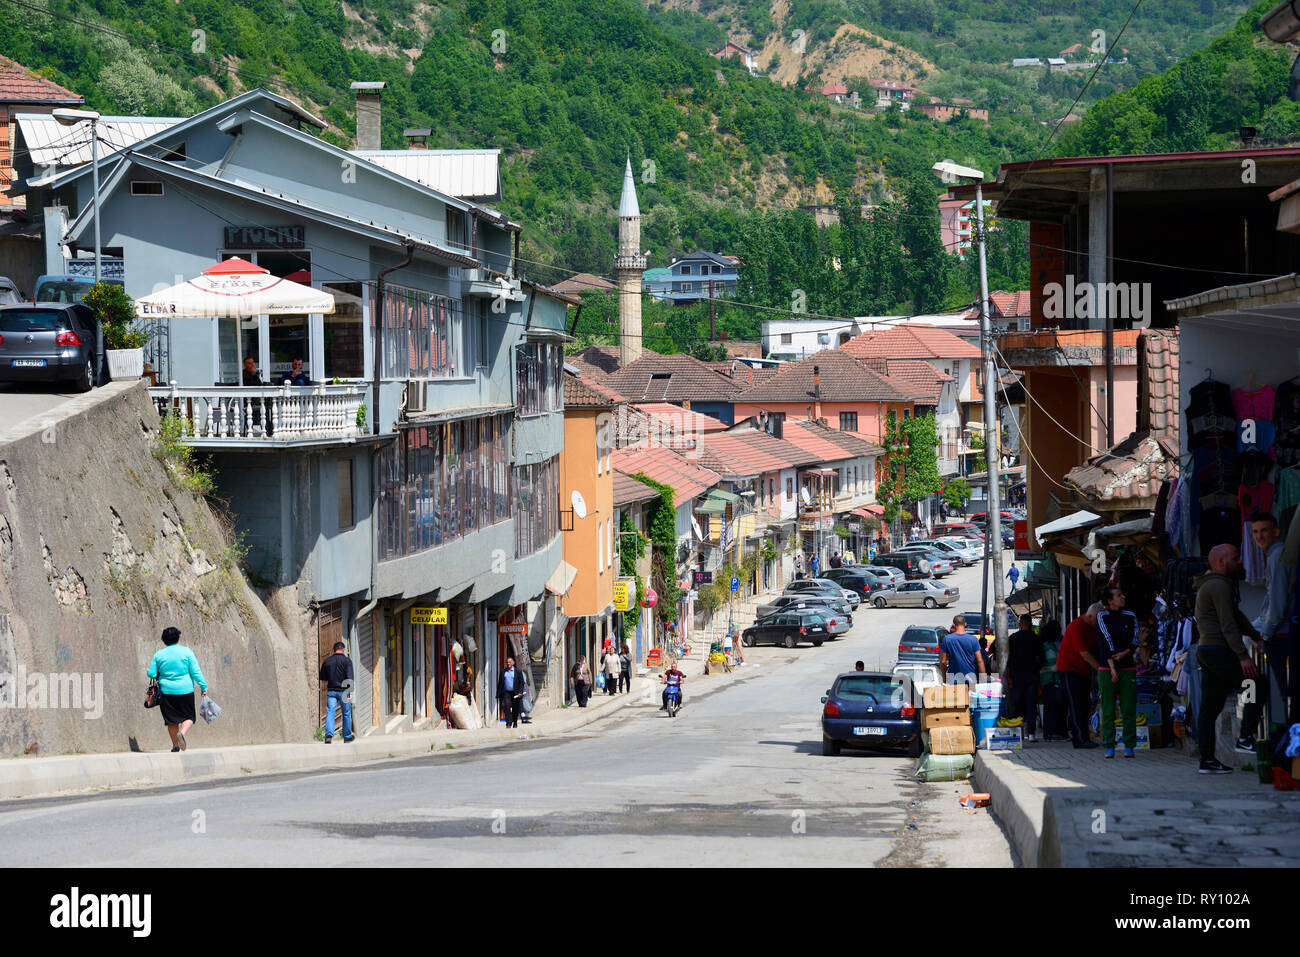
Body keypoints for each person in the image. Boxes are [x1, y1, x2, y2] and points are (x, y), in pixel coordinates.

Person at [1194, 544, 1261, 774]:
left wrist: (1256, 636)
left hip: (1207, 651)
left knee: (1209, 708)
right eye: (1235, 557)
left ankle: (1207, 761)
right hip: (1218, 651)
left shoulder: (1214, 584)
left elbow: (1237, 616)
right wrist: (1243, 656)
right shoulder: (1218, 585)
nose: (1240, 561)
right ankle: (1245, 737)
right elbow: (1228, 624)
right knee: (1254, 684)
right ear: (1221, 561)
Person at [1246, 512, 1295, 744]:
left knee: (1283, 690)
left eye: (1264, 531)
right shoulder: (1274, 555)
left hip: (1281, 634)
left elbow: (1277, 603)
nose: (1259, 536)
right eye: (1255, 532)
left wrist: (1266, 633)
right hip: (1278, 630)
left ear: (1276, 531)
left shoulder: (1278, 556)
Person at [146, 626, 208, 752]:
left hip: (166, 692)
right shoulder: (187, 652)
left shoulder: (159, 655)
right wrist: (203, 686)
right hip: (185, 690)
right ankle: (182, 734)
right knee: (189, 717)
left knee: (171, 720)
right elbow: (195, 672)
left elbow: (151, 673)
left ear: (163, 640)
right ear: (178, 638)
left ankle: (175, 746)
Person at [1096, 585, 1140, 758]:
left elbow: (1135, 638)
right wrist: (1113, 666)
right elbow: (1104, 640)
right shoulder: (1102, 616)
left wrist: (1125, 653)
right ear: (1110, 600)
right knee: (1108, 707)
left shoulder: (1130, 616)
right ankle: (1109, 744)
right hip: (1107, 668)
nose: (1123, 597)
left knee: (1128, 707)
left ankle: (1129, 745)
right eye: (1118, 595)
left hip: (1127, 665)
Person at [1057, 603, 1103, 749]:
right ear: (1090, 617)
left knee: (1084, 704)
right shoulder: (1076, 627)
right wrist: (1101, 670)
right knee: (1076, 704)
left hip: (1083, 671)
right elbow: (1085, 654)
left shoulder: (1092, 628)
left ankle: (1084, 736)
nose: (1100, 623)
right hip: (1069, 670)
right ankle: (1079, 739)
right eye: (1098, 620)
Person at [1006, 614, 1046, 742]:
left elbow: (1008, 659)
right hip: (1032, 677)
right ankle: (1032, 734)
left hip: (1017, 677)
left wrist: (1009, 674)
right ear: (1030, 625)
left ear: (1020, 624)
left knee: (1017, 705)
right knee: (1031, 705)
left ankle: (1019, 734)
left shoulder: (1012, 638)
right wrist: (1036, 670)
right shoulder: (1036, 638)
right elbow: (1041, 659)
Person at [318, 639, 355, 743]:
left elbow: (323, 677)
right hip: (344, 691)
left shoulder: (327, 661)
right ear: (343, 649)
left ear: (333, 650)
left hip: (332, 691)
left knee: (330, 712)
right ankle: (347, 737)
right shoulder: (347, 661)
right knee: (346, 713)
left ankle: (328, 736)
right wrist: (350, 693)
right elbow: (350, 677)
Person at [939, 614, 984, 686]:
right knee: (970, 696)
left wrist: (944, 678)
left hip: (953, 677)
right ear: (965, 624)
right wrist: (983, 680)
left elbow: (943, 661)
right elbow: (980, 661)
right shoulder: (973, 639)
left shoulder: (947, 639)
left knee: (955, 697)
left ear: (954, 625)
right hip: (970, 677)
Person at [497, 655, 528, 728]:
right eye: (507, 662)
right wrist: (498, 693)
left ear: (513, 663)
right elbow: (500, 683)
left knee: (515, 708)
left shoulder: (518, 672)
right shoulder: (503, 671)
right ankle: (508, 723)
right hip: (506, 692)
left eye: (510, 662)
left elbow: (521, 683)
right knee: (507, 707)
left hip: (516, 693)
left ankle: (515, 722)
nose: (508, 664)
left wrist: (520, 692)